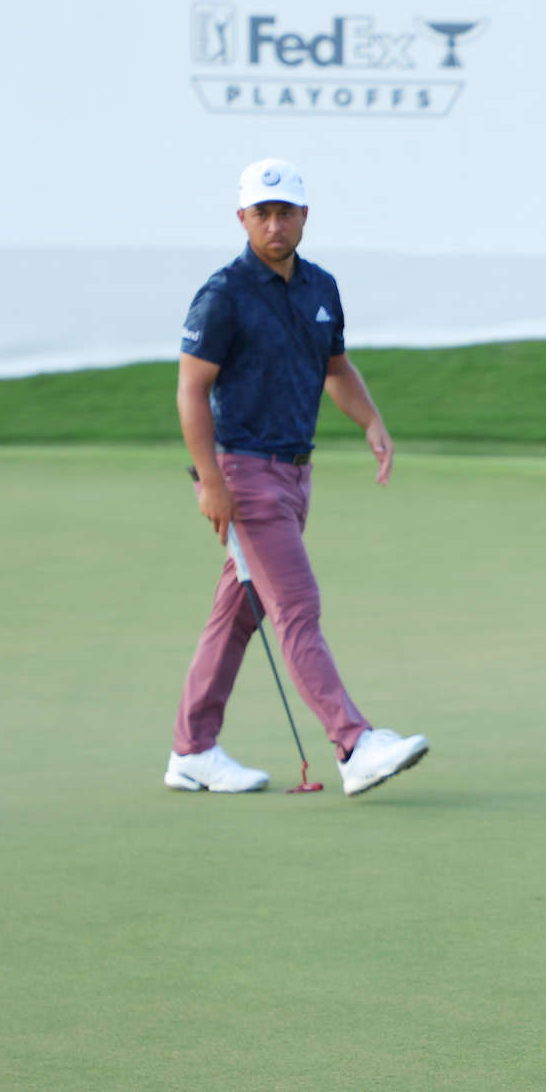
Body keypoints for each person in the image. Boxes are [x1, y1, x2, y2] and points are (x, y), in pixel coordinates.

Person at [164, 157, 429, 798]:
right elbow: (191, 390)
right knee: (297, 609)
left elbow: (334, 366)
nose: (275, 225)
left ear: (304, 216)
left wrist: (371, 421)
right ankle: (353, 743)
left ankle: (192, 750)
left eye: (286, 212)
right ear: (243, 219)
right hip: (245, 474)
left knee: (239, 614)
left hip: (294, 474)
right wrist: (211, 480)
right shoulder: (223, 294)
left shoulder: (320, 288)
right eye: (263, 214)